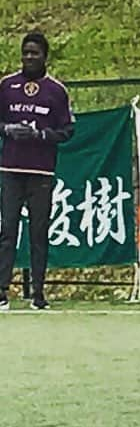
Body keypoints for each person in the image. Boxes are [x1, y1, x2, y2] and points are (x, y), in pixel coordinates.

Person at [0, 32, 74, 311]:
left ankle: (38, 294)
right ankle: (2, 291)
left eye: (35, 53)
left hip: (41, 171)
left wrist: (40, 135)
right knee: (7, 230)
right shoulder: (6, 86)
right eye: (25, 53)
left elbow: (67, 130)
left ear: (45, 56)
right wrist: (8, 130)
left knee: (39, 231)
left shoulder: (56, 90)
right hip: (10, 168)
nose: (29, 58)